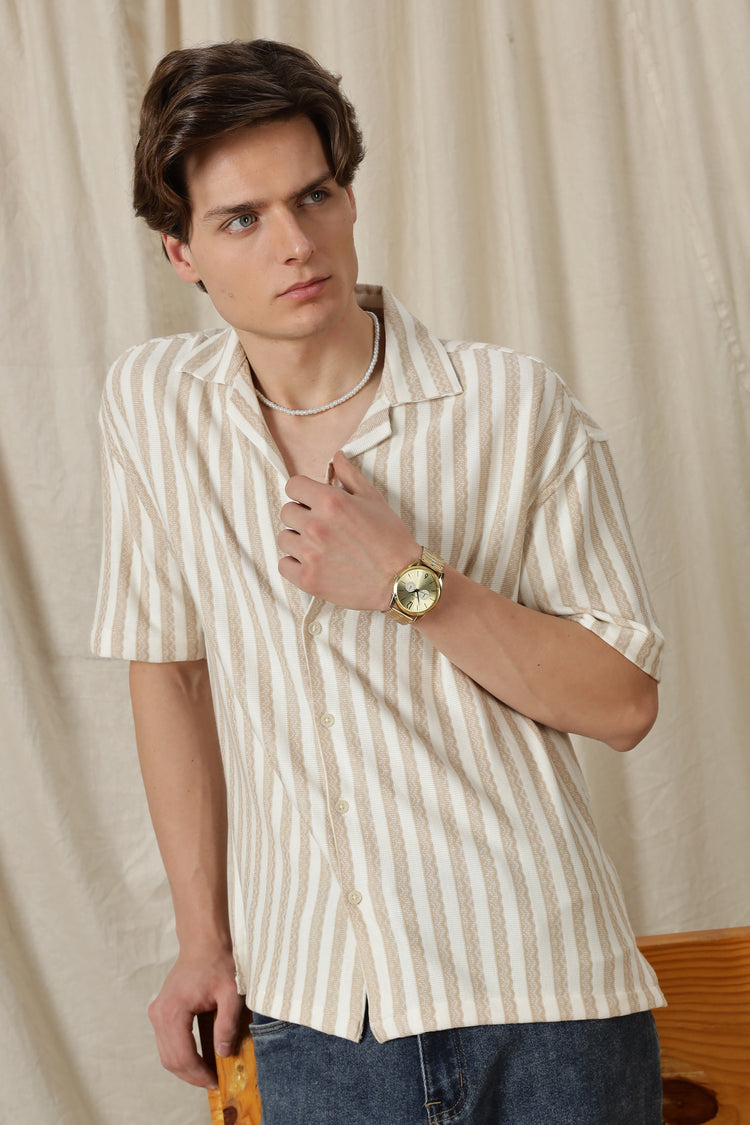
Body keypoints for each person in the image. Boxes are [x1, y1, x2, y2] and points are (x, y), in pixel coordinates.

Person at [91, 38, 665, 1125]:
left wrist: (412, 580)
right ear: (182, 253)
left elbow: (624, 701)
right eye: (242, 219)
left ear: (349, 195)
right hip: (318, 1012)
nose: (296, 244)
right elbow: (168, 669)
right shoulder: (155, 408)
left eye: (314, 195)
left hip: (542, 995)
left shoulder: (511, 407)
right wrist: (202, 941)